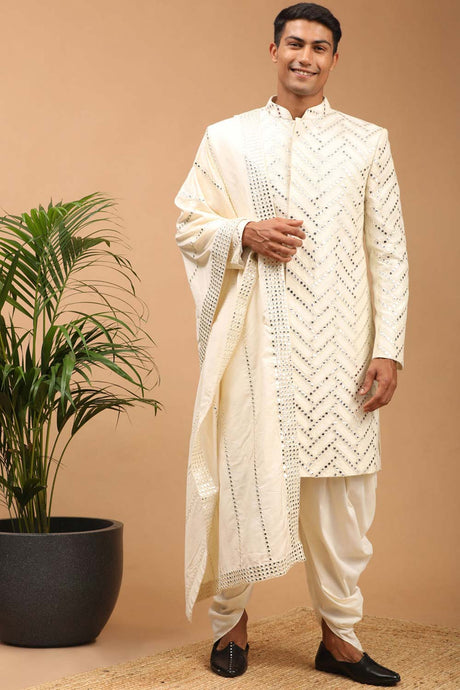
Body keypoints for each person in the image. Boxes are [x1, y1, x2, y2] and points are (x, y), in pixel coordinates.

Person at [174, 2, 409, 685]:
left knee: (343, 500)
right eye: (295, 43)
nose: (306, 56)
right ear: (273, 50)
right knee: (241, 477)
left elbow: (389, 251)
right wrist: (242, 232)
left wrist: (388, 347)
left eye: (320, 46)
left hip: (342, 347)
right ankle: (230, 625)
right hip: (256, 347)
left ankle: (340, 638)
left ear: (335, 58)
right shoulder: (228, 138)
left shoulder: (368, 142)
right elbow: (190, 223)